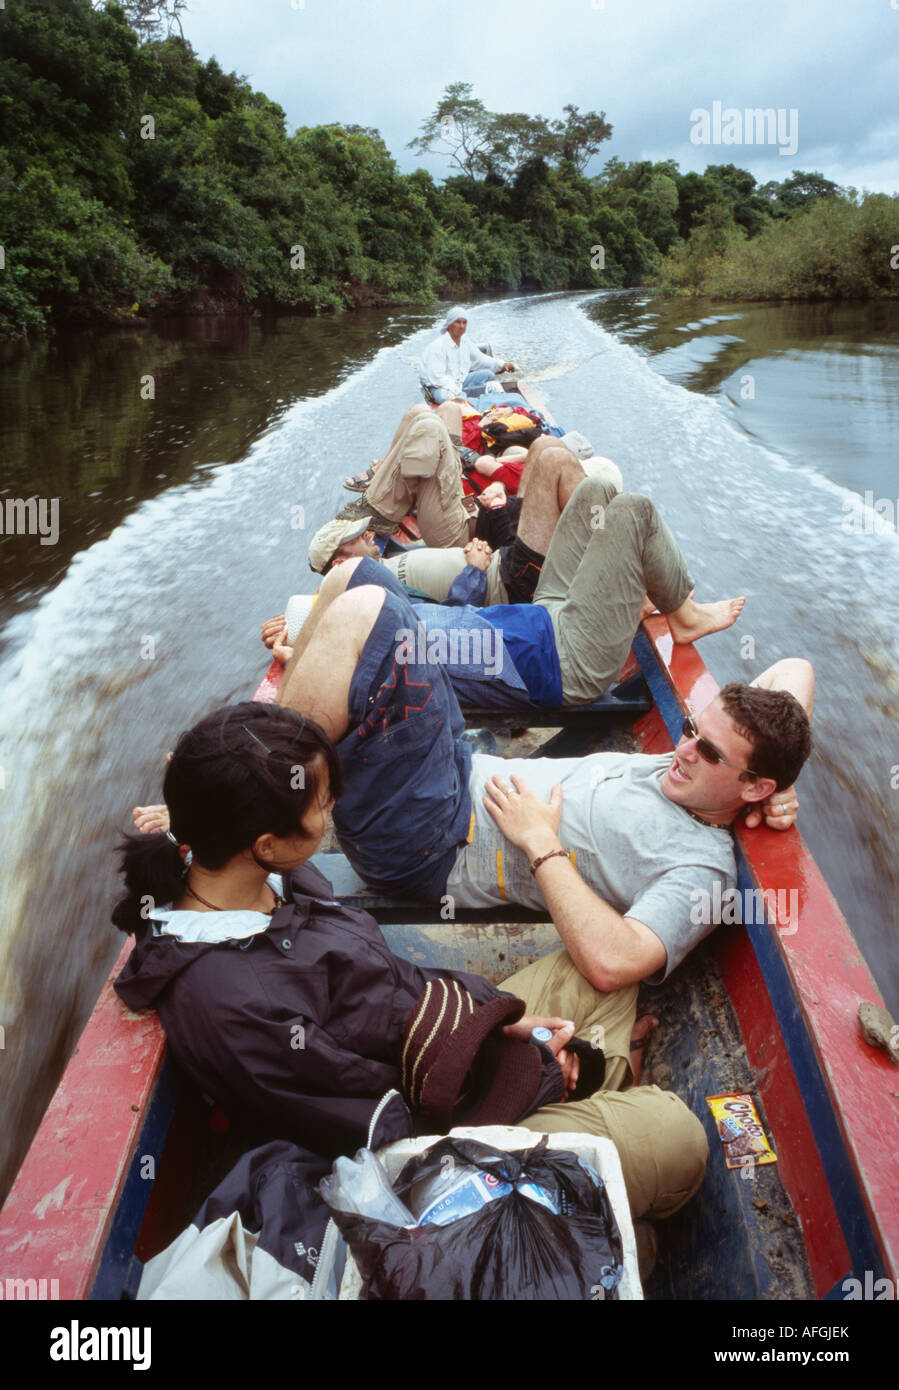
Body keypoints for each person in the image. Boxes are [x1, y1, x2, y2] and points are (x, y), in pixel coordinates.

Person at [117, 701, 709, 1223]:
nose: (333, 810)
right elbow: (390, 1132)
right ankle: (601, 1113)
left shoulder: (262, 877)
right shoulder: (236, 1004)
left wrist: (501, 1024)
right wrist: (531, 1072)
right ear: (265, 843)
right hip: (424, 1155)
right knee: (678, 1138)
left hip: (440, 1048)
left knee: (600, 974)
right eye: (322, 804)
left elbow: (400, 986)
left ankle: (597, 1095)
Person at [273, 576, 813, 992]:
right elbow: (796, 669)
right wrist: (785, 787)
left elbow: (615, 962)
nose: (685, 748)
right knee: (353, 579)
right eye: (692, 728)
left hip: (431, 841)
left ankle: (257, 809)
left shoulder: (702, 867)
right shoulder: (703, 775)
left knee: (367, 613)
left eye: (709, 752)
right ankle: (301, 707)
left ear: (752, 787)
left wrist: (542, 843)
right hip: (455, 770)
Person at [274, 473, 746, 713]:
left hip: (541, 614)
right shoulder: (381, 655)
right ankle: (681, 615)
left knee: (596, 490)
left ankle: (621, 591)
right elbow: (333, 693)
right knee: (635, 512)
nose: (372, 541)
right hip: (566, 662)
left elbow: (453, 610)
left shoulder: (391, 611)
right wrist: (298, 655)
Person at [419, 306, 516, 403]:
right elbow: (437, 379)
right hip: (438, 387)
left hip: (459, 382)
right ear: (449, 324)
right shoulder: (438, 346)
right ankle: (470, 402)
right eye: (458, 322)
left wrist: (503, 364)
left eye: (464, 322)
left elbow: (481, 359)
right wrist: (459, 392)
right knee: (446, 396)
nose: (462, 326)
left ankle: (470, 399)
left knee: (489, 375)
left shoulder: (465, 341)